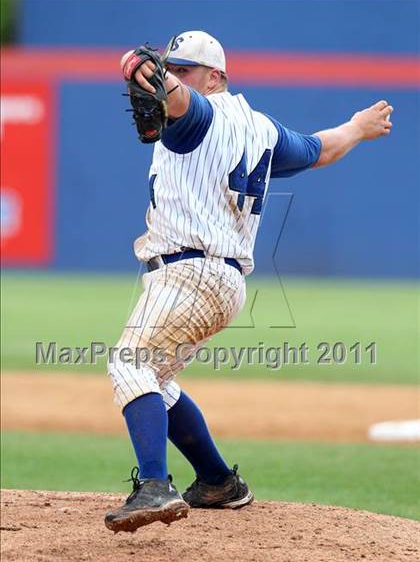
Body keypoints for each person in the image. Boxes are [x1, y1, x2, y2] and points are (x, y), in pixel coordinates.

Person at [105, 31, 393, 533]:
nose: (173, 78)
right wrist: (358, 126)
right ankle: (218, 481)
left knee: (129, 365)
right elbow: (320, 150)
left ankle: (154, 485)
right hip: (224, 281)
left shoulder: (199, 115)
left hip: (189, 273)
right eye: (171, 68)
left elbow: (177, 99)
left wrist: (137, 64)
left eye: (186, 70)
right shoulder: (261, 128)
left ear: (216, 77)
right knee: (156, 379)